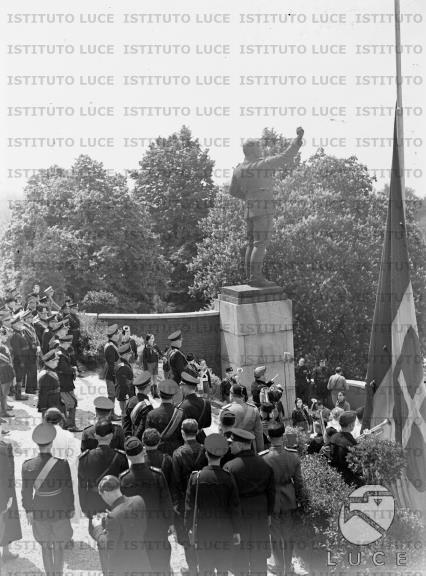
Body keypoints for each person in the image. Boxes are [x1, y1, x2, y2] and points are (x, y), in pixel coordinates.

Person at [230, 127, 304, 287]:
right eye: (259, 148)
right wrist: (297, 140)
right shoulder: (261, 165)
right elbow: (285, 157)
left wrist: (249, 198)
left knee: (252, 243)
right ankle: (256, 278)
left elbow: (233, 191)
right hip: (263, 209)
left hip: (249, 210)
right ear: (252, 150)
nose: (261, 150)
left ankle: (250, 277)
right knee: (260, 243)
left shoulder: (237, 170)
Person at [185, 434, 242, 576]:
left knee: (205, 569)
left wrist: (188, 528)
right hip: (225, 531)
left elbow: (189, 507)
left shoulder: (196, 477)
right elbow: (234, 507)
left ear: (206, 454)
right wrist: (236, 530)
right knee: (223, 569)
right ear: (222, 456)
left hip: (204, 531)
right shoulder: (228, 478)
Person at [21, 423, 74, 576]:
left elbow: (25, 492)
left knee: (45, 546)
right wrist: (70, 508)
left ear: (37, 444)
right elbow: (68, 490)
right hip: (59, 510)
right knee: (58, 546)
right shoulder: (62, 464)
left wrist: (29, 510)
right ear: (51, 443)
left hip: (39, 510)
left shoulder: (27, 466)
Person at [224, 428, 275, 576]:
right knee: (259, 558)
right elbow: (271, 493)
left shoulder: (229, 467)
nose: (230, 446)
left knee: (240, 559)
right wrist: (269, 514)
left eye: (231, 443)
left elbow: (228, 498)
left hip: (239, 516)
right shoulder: (265, 464)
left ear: (240, 445)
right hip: (260, 515)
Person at [120, 436, 175, 575]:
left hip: (135, 529)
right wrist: (170, 523)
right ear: (143, 451)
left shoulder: (124, 478)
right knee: (160, 562)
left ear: (127, 456)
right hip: (157, 527)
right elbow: (166, 500)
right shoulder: (157, 474)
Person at [89, 475, 152, 576]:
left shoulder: (113, 517)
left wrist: (98, 528)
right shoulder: (138, 500)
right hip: (142, 562)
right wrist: (112, 515)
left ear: (105, 493)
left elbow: (107, 545)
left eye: (102, 496)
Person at [262, 427, 304, 576]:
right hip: (289, 499)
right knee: (288, 535)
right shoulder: (293, 456)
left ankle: (280, 567)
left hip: (272, 502)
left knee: (275, 536)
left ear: (268, 436)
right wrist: (300, 501)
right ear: (283, 436)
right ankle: (288, 566)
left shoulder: (263, 457)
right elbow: (299, 482)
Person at [172, 418, 208, 564]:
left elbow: (175, 481)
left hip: (185, 501)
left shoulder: (178, 454)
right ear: (198, 431)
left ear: (182, 433)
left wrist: (176, 503)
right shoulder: (205, 450)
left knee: (188, 537)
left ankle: (192, 568)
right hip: (204, 499)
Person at [78, 419, 128, 519]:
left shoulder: (85, 458)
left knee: (97, 531)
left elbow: (82, 486)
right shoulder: (120, 457)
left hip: (93, 501)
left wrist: (84, 506)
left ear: (96, 436)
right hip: (115, 501)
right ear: (112, 436)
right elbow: (124, 484)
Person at [44, 408, 81, 523]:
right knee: (66, 505)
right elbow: (74, 456)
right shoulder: (68, 435)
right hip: (65, 476)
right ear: (60, 421)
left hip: (46, 475)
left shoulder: (41, 435)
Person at [0, 416, 22, 564]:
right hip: (3, 492)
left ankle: (6, 552)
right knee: (5, 520)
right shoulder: (4, 449)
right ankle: (5, 553)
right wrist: (8, 496)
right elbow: (8, 474)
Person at [220, 383, 264, 452]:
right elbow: (259, 435)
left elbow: (221, 434)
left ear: (231, 394)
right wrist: (260, 452)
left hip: (231, 449)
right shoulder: (254, 409)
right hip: (249, 448)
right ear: (243, 396)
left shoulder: (225, 410)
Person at [145, 379, 184, 456]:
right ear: (173, 395)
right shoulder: (180, 413)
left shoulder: (151, 414)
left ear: (159, 394)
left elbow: (148, 437)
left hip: (158, 453)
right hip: (176, 452)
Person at [329, 411, 363, 486]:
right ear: (351, 425)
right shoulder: (350, 443)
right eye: (355, 422)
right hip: (348, 480)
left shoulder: (333, 437)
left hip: (335, 474)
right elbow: (358, 465)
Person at [178, 371, 212, 443]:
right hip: (202, 439)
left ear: (184, 386)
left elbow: (179, 429)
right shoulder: (206, 402)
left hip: (186, 441)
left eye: (181, 385)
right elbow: (208, 424)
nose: (180, 387)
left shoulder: (182, 406)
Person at [56, 333, 80, 432]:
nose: (70, 345)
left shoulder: (62, 351)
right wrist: (74, 369)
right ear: (64, 343)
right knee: (71, 403)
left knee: (65, 404)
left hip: (66, 383)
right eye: (68, 343)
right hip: (64, 383)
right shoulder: (60, 354)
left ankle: (65, 424)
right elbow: (64, 369)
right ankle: (70, 425)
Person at [121, 371, 153, 439]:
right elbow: (142, 427)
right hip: (139, 439)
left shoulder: (130, 400)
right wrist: (135, 439)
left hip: (130, 436)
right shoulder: (147, 406)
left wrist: (127, 435)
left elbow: (125, 420)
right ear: (148, 386)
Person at [8, 315, 29, 401]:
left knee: (20, 376)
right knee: (19, 377)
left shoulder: (19, 333)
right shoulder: (15, 335)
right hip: (19, 359)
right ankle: (18, 395)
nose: (21, 324)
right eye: (18, 323)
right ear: (13, 325)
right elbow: (17, 350)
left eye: (20, 323)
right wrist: (21, 361)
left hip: (22, 358)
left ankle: (18, 393)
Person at [103, 324, 121, 421]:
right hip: (111, 375)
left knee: (112, 395)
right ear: (113, 335)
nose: (118, 336)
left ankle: (111, 414)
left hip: (112, 374)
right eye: (117, 334)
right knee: (112, 395)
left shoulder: (112, 344)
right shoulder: (110, 347)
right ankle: (110, 415)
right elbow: (112, 365)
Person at [37, 350, 63, 416]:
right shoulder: (45, 375)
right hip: (50, 405)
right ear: (51, 361)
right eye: (56, 360)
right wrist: (43, 409)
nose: (58, 361)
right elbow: (43, 394)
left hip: (55, 402)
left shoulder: (52, 370)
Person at [114, 342, 135, 416]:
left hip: (124, 392)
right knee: (125, 413)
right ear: (125, 354)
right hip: (124, 393)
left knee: (125, 412)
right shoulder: (123, 366)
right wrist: (127, 395)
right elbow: (123, 384)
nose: (130, 355)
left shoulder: (123, 362)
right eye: (130, 354)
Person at [0, 328, 16, 416]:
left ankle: (4, 408)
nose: (7, 337)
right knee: (3, 394)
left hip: (5, 371)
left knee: (3, 393)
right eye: (5, 335)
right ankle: (3, 412)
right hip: (4, 372)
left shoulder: (3, 346)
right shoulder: (2, 347)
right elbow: (7, 360)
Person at [141, 333, 162, 398]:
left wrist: (162, 357)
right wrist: (145, 368)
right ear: (147, 340)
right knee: (151, 379)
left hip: (155, 363)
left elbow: (160, 354)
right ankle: (152, 392)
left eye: (153, 338)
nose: (152, 340)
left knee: (155, 378)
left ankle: (156, 393)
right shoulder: (145, 348)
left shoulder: (155, 346)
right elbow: (144, 359)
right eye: (150, 339)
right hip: (148, 364)